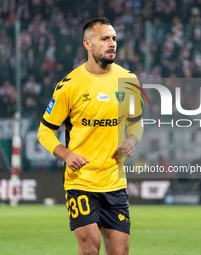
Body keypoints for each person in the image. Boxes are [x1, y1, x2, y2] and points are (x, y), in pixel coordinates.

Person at [38, 17, 143, 255]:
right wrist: (66, 155)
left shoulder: (128, 80)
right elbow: (45, 130)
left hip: (114, 182)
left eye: (114, 38)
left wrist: (132, 140)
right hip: (81, 181)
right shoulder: (69, 86)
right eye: (104, 38)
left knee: (120, 252)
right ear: (87, 43)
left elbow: (137, 123)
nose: (112, 43)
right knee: (90, 248)